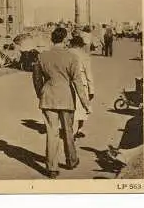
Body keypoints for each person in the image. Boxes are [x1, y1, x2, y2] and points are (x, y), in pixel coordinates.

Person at [32, 27, 91, 179]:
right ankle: (71, 160)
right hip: (66, 97)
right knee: (68, 131)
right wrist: (86, 103)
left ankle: (52, 167)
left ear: (52, 39)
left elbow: (37, 79)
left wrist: (41, 94)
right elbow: (78, 82)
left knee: (52, 132)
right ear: (65, 39)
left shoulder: (42, 56)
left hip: (48, 96)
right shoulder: (72, 57)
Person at [68, 35, 95, 139]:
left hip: (68, 83)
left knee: (71, 108)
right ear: (80, 45)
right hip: (82, 83)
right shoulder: (84, 55)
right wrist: (91, 89)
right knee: (82, 107)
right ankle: (79, 129)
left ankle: (70, 129)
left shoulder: (66, 53)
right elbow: (89, 74)